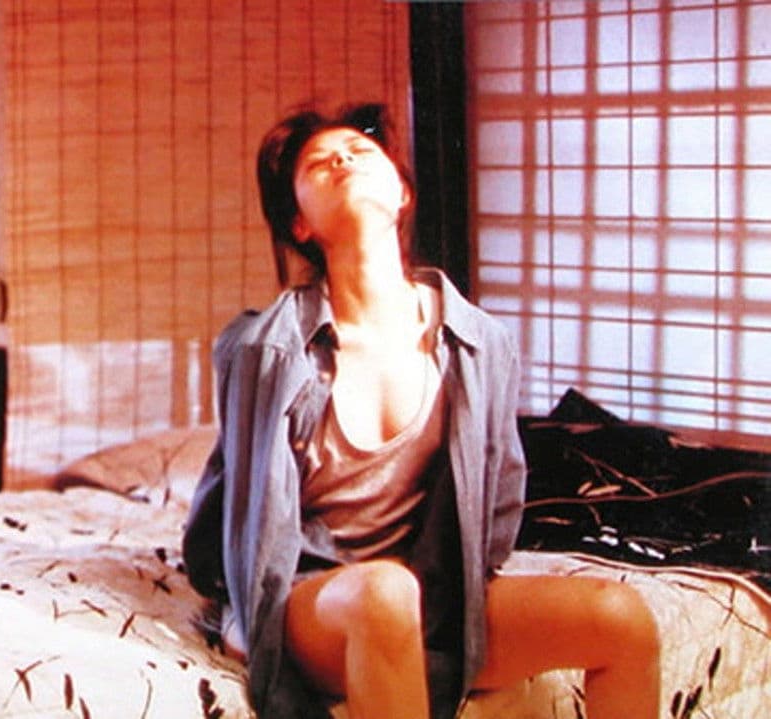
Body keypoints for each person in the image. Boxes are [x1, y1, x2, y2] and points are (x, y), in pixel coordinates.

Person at [181, 103, 660, 719]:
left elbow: (498, 508)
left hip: (436, 600)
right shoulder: (264, 349)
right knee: (384, 594)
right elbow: (229, 514)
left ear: (402, 193)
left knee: (620, 618)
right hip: (318, 604)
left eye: (360, 151)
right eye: (319, 164)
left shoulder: (480, 342)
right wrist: (238, 614)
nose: (343, 160)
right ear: (299, 223)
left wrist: (445, 583)